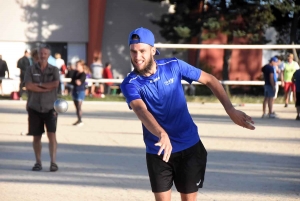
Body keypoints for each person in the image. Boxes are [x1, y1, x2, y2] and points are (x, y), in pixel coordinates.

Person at [120, 27, 255, 201]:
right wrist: (161, 133)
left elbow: (210, 79)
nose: (137, 57)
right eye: (133, 51)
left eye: (142, 51)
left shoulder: (173, 66)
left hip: (189, 147)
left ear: (153, 50)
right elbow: (140, 109)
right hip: (159, 151)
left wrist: (230, 109)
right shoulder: (130, 83)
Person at [24, 44, 60, 172]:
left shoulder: (54, 70)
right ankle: (38, 162)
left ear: (48, 55)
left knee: (52, 135)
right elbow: (28, 85)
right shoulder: (30, 69)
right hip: (34, 107)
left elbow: (55, 84)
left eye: (45, 54)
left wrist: (38, 85)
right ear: (37, 55)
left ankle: (53, 162)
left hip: (51, 108)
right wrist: (46, 86)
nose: (42, 56)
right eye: (41, 54)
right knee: (36, 136)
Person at [71, 60, 86, 126]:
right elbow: (72, 81)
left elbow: (79, 82)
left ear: (82, 66)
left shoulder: (83, 74)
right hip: (74, 90)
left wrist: (77, 81)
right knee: (76, 107)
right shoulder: (75, 73)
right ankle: (78, 119)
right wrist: (76, 81)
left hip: (80, 91)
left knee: (79, 106)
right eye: (76, 65)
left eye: (78, 65)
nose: (76, 67)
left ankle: (80, 120)